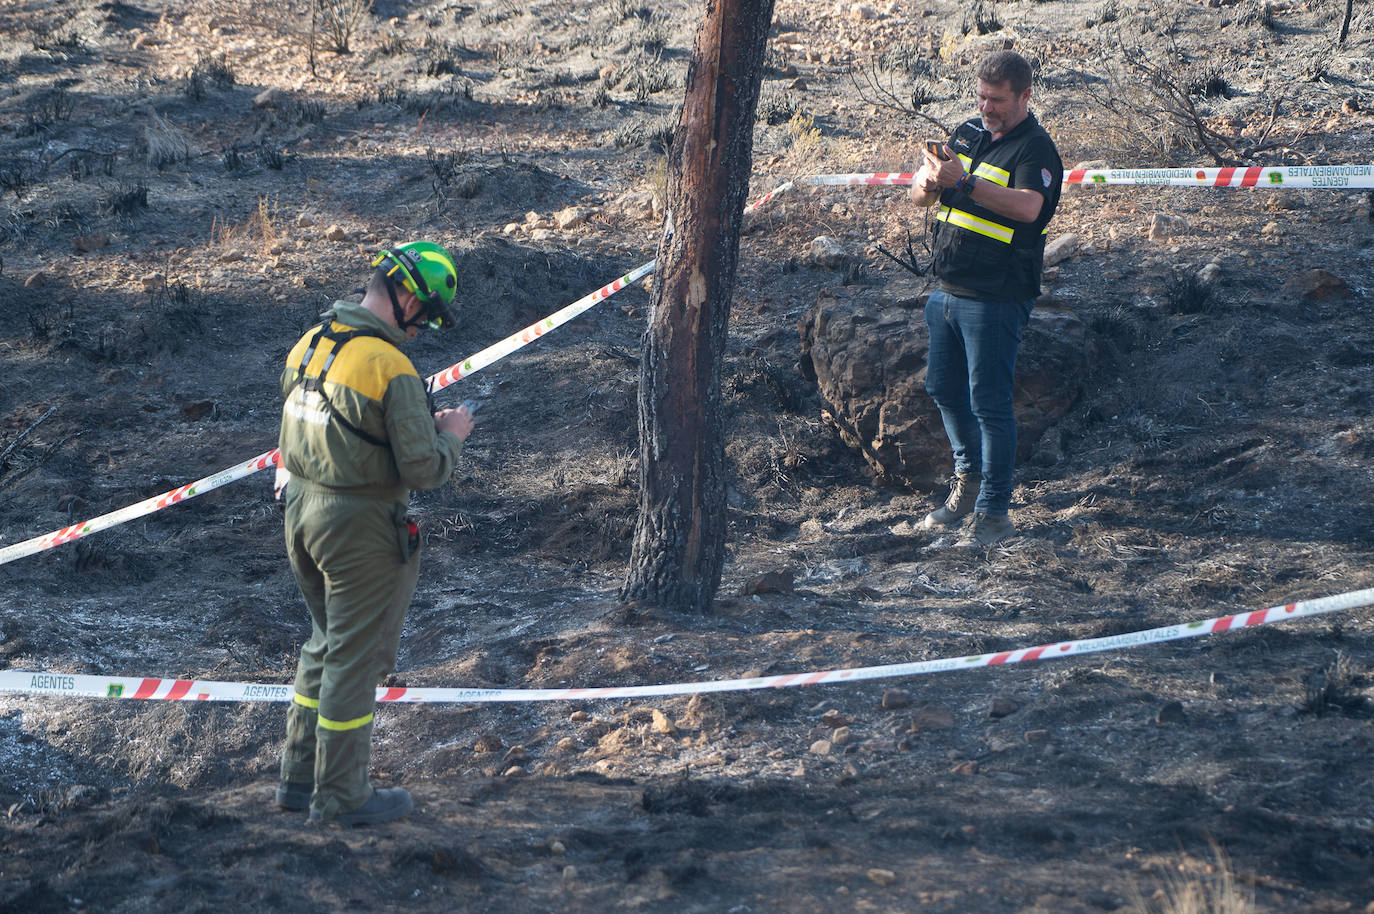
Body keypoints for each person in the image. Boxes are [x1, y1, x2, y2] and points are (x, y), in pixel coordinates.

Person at [274, 241, 474, 825]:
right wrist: (453, 434)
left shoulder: (308, 346)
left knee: (323, 644)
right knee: (353, 662)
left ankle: (299, 781)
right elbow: (425, 469)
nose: (423, 330)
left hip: (302, 514)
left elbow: (314, 437)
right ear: (407, 295)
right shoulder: (390, 366)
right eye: (427, 315)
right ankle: (341, 797)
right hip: (358, 527)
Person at [908, 50, 1063, 547]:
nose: (987, 107)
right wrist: (929, 183)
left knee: (990, 406)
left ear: (1024, 96)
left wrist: (966, 183)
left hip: (996, 296)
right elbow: (919, 195)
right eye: (981, 97)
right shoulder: (968, 132)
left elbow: (1028, 207)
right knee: (942, 390)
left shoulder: (1036, 150)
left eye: (997, 100)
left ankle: (994, 514)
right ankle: (967, 486)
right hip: (947, 289)